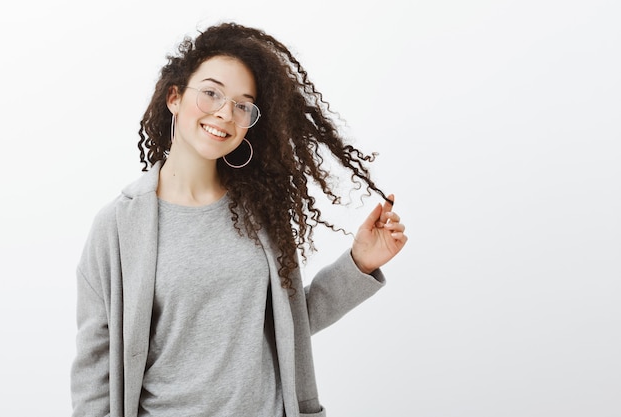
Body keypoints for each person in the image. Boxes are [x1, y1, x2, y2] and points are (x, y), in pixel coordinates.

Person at [70, 21, 407, 417]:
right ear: (174, 97)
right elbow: (96, 366)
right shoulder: (117, 227)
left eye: (242, 104)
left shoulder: (259, 212)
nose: (225, 113)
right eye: (211, 93)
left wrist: (359, 263)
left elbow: (289, 327)